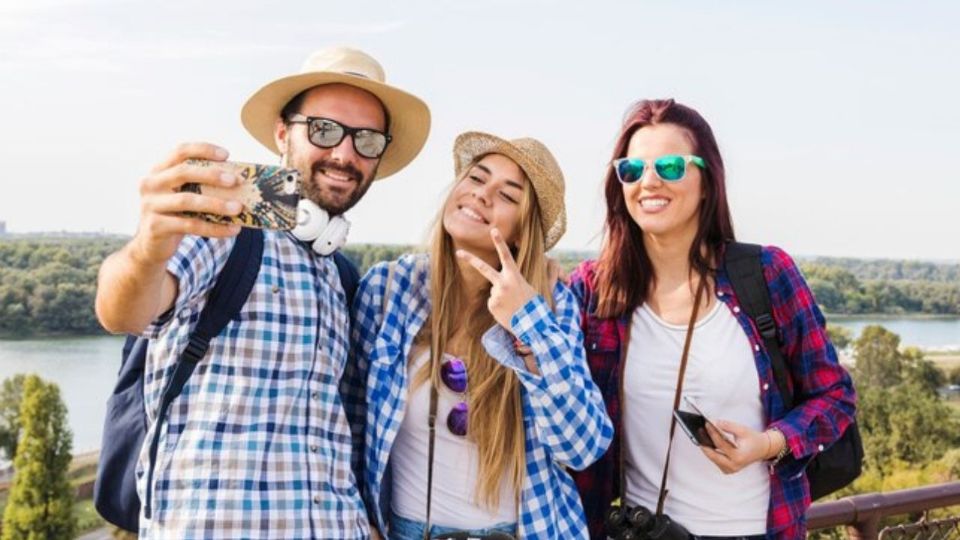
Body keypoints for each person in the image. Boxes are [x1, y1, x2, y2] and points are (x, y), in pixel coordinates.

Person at [94, 46, 430, 539]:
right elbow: (123, 309)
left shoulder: (343, 277)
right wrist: (148, 249)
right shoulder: (223, 232)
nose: (344, 153)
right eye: (324, 129)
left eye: (367, 140)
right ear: (281, 133)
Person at [569, 99, 857, 539]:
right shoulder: (593, 290)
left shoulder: (766, 274)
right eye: (631, 169)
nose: (648, 182)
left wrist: (769, 443)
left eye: (669, 167)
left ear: (707, 182)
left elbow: (835, 396)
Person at [350, 132, 613, 539]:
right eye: (476, 178)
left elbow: (582, 446)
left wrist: (529, 323)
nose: (482, 195)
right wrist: (358, 520)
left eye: (508, 196)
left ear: (522, 234)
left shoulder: (551, 305)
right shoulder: (389, 290)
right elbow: (351, 421)